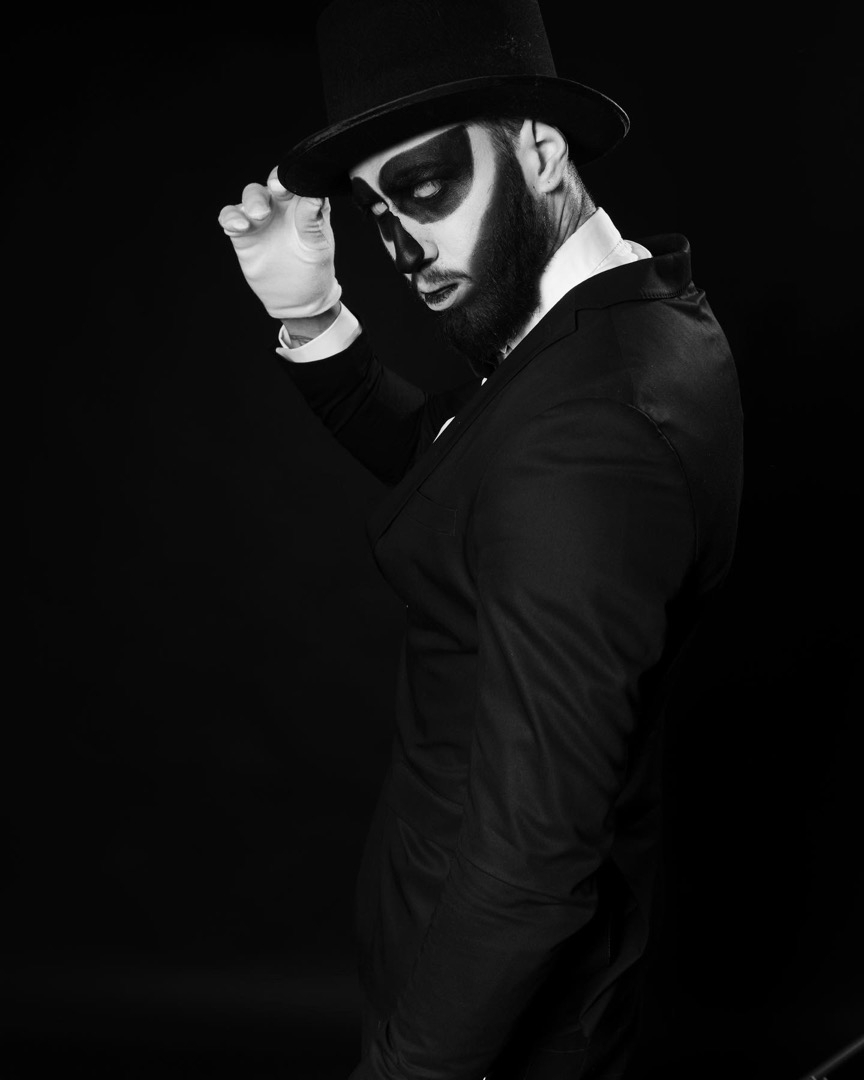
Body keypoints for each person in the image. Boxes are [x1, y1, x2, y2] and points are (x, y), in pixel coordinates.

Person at [218, 1, 743, 1077]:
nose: (404, 246)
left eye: (424, 188)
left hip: (490, 1028)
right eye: (377, 212)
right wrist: (314, 317)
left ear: (542, 153)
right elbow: (470, 474)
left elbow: (530, 860)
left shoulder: (590, 433)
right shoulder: (619, 320)